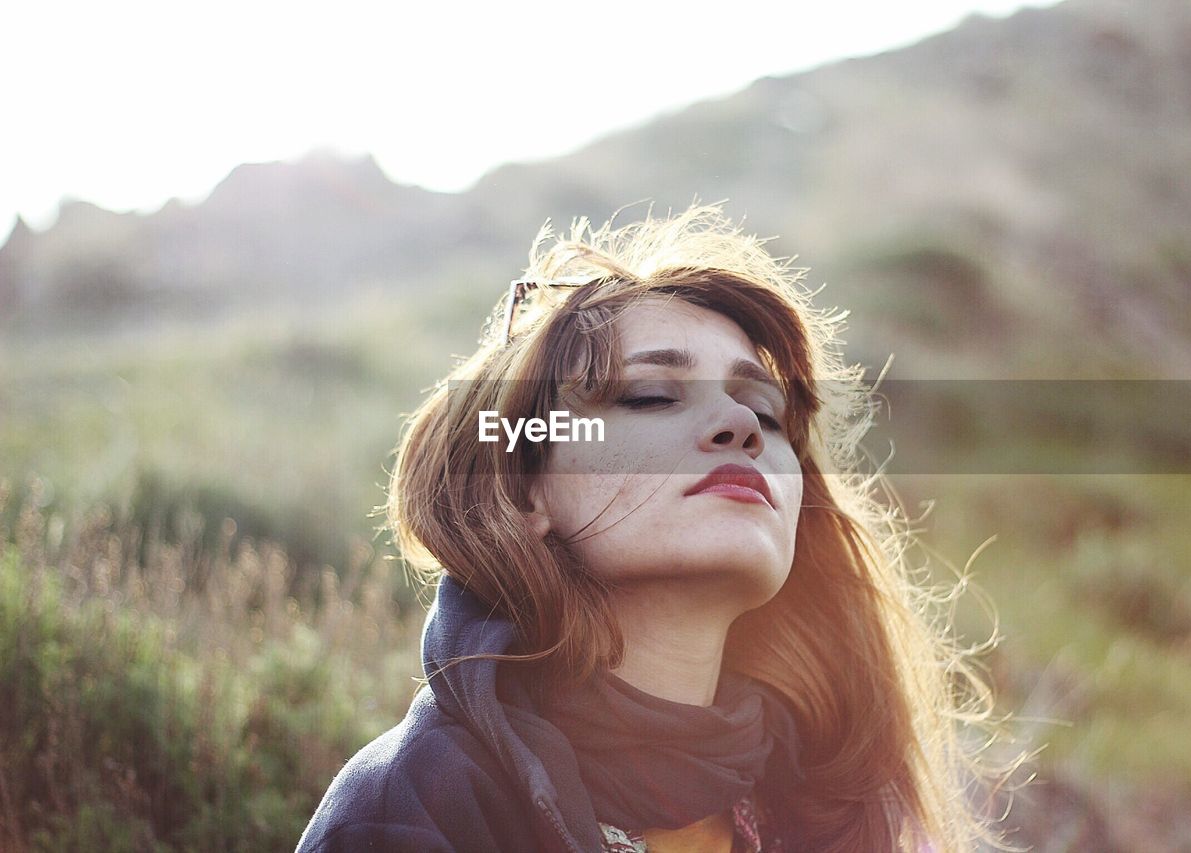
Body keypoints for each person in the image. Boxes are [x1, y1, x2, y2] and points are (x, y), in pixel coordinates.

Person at [296, 204, 1002, 852]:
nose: (741, 427)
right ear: (523, 491)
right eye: (652, 394)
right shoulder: (413, 811)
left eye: (765, 410)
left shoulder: (833, 805)